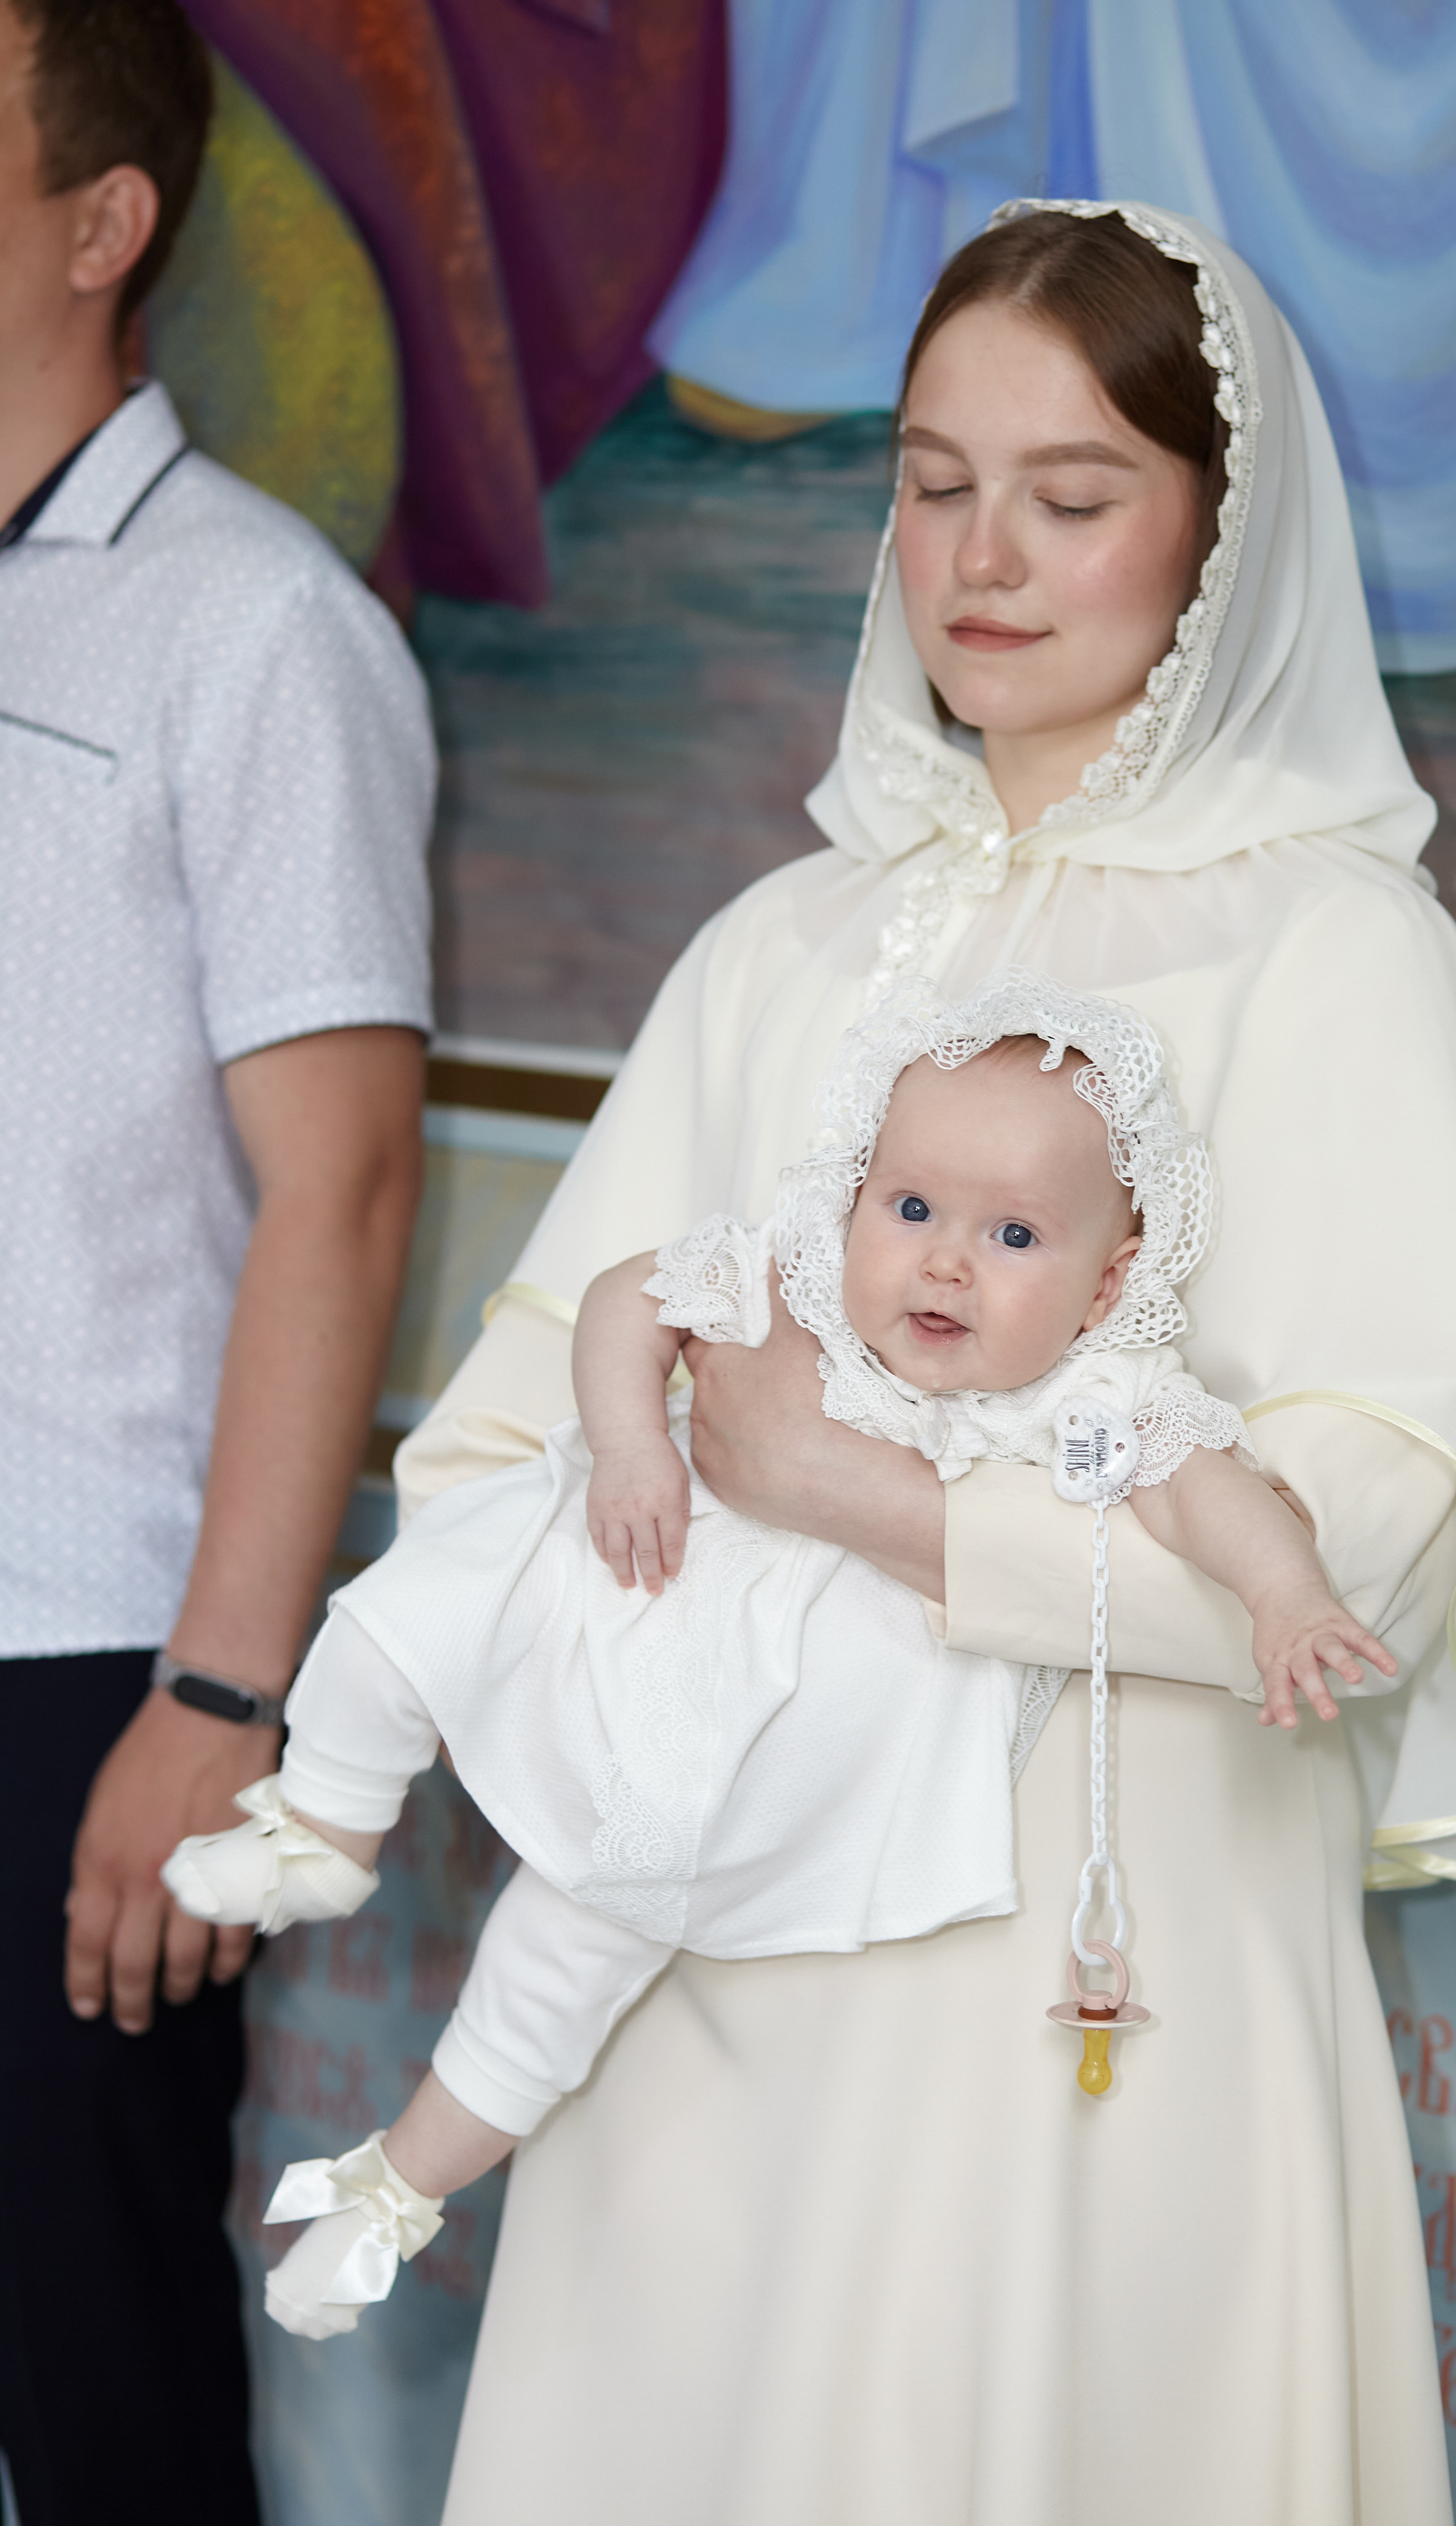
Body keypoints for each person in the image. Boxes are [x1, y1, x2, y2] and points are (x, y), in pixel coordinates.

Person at [397, 203, 1456, 2525]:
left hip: (1074, 1997)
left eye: (1073, 495)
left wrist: (863, 1499)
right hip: (713, 1982)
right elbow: (517, 1411)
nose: (983, 560)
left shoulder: (1342, 954)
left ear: (1220, 545)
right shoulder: (785, 939)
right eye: (936, 483)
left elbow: (1369, 1519)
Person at [164, 973, 1401, 2340]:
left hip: (748, 1747)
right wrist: (633, 1441)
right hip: (641, 1573)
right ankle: (325, 1820)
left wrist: (1282, 1594)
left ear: (1108, 1278)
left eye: (1011, 1235)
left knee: (565, 1955)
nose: (942, 1262)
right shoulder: (790, 1279)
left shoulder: (1093, 1392)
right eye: (912, 1208)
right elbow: (625, 1300)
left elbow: (1205, 1490)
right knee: (407, 1616)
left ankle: (395, 2191)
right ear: (854, 1194)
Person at [0, 3, 433, 2518]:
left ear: (98, 220)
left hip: (81, 1667)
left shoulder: (251, 629)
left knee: (101, 2393)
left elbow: (344, 1183)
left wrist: (219, 1692)